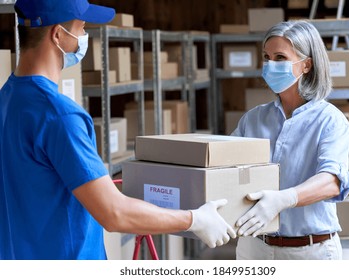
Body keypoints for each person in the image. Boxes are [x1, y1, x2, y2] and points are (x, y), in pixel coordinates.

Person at [0, 0, 236, 260]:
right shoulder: (60, 116)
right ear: (58, 35)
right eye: (81, 28)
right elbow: (114, 213)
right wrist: (195, 220)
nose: (83, 37)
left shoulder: (7, 99)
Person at [232, 20, 349, 260]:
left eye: (280, 58)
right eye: (266, 57)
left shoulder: (330, 120)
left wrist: (283, 199)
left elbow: (332, 182)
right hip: (254, 247)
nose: (270, 65)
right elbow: (224, 170)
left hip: (310, 251)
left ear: (306, 65)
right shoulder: (253, 119)